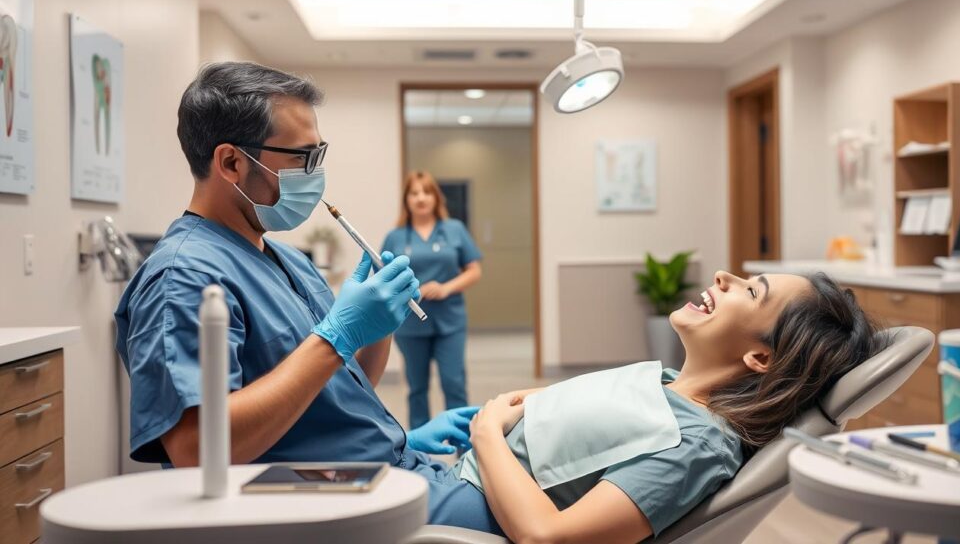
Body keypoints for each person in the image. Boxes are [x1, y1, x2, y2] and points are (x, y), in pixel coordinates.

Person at [114, 62, 501, 531]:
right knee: (572, 515)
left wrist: (379, 330)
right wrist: (337, 336)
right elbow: (199, 451)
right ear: (231, 163)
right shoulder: (184, 278)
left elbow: (338, 390)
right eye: (301, 158)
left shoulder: (289, 260)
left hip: (386, 472)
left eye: (319, 154)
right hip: (330, 510)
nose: (316, 173)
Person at [451, 271, 878, 543]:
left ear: (761, 358)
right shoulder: (669, 384)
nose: (723, 276)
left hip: (464, 508)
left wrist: (488, 435)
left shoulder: (697, 444)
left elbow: (549, 536)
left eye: (751, 292)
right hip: (454, 476)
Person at [381, 171, 483, 429]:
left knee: (454, 383)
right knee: (417, 389)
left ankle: (464, 448)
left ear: (436, 198)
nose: (421, 198)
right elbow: (383, 277)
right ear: (406, 200)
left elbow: (474, 270)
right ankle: (420, 452)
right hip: (410, 324)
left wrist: (446, 287)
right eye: (414, 193)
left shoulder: (454, 230)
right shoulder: (395, 236)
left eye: (426, 192)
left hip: (450, 319)